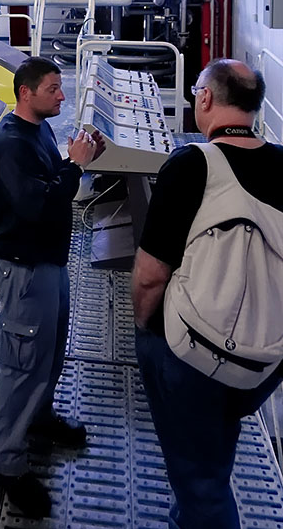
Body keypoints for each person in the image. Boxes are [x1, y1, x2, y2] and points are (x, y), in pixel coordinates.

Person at [132, 58, 283, 529]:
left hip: (194, 350)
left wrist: (146, 331)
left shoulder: (192, 164)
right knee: (214, 446)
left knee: (201, 484)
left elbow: (151, 275)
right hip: (265, 358)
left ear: (205, 99)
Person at [0, 56, 105, 519]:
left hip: (49, 262)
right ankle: (8, 463)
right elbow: (36, 204)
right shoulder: (9, 143)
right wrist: (75, 168)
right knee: (21, 363)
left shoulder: (37, 130)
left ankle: (39, 419)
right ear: (26, 93)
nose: (62, 96)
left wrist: (77, 158)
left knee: (49, 351)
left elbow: (49, 177)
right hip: (25, 266)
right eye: (53, 89)